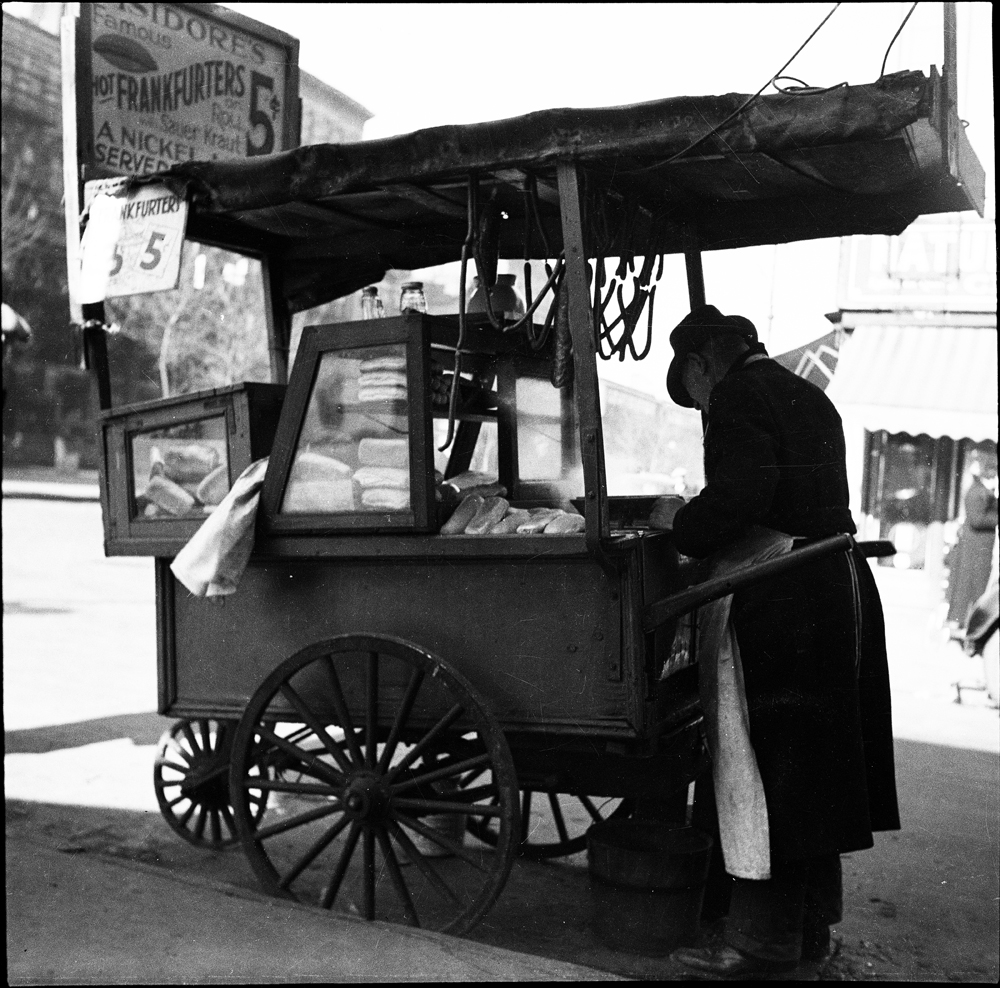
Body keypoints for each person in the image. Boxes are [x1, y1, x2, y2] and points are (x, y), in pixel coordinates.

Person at [649, 304, 899, 980]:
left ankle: (761, 944)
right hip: (834, 585)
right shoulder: (808, 394)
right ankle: (810, 930)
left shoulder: (738, 394)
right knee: (813, 770)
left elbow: (740, 496)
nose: (701, 406)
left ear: (702, 365)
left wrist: (681, 524)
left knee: (764, 766)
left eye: (692, 390)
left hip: (784, 598)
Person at [946, 458, 999, 633]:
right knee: (972, 586)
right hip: (975, 549)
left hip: (977, 549)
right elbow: (977, 520)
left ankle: (964, 622)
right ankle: (964, 623)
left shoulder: (982, 492)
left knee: (973, 586)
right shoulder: (978, 493)